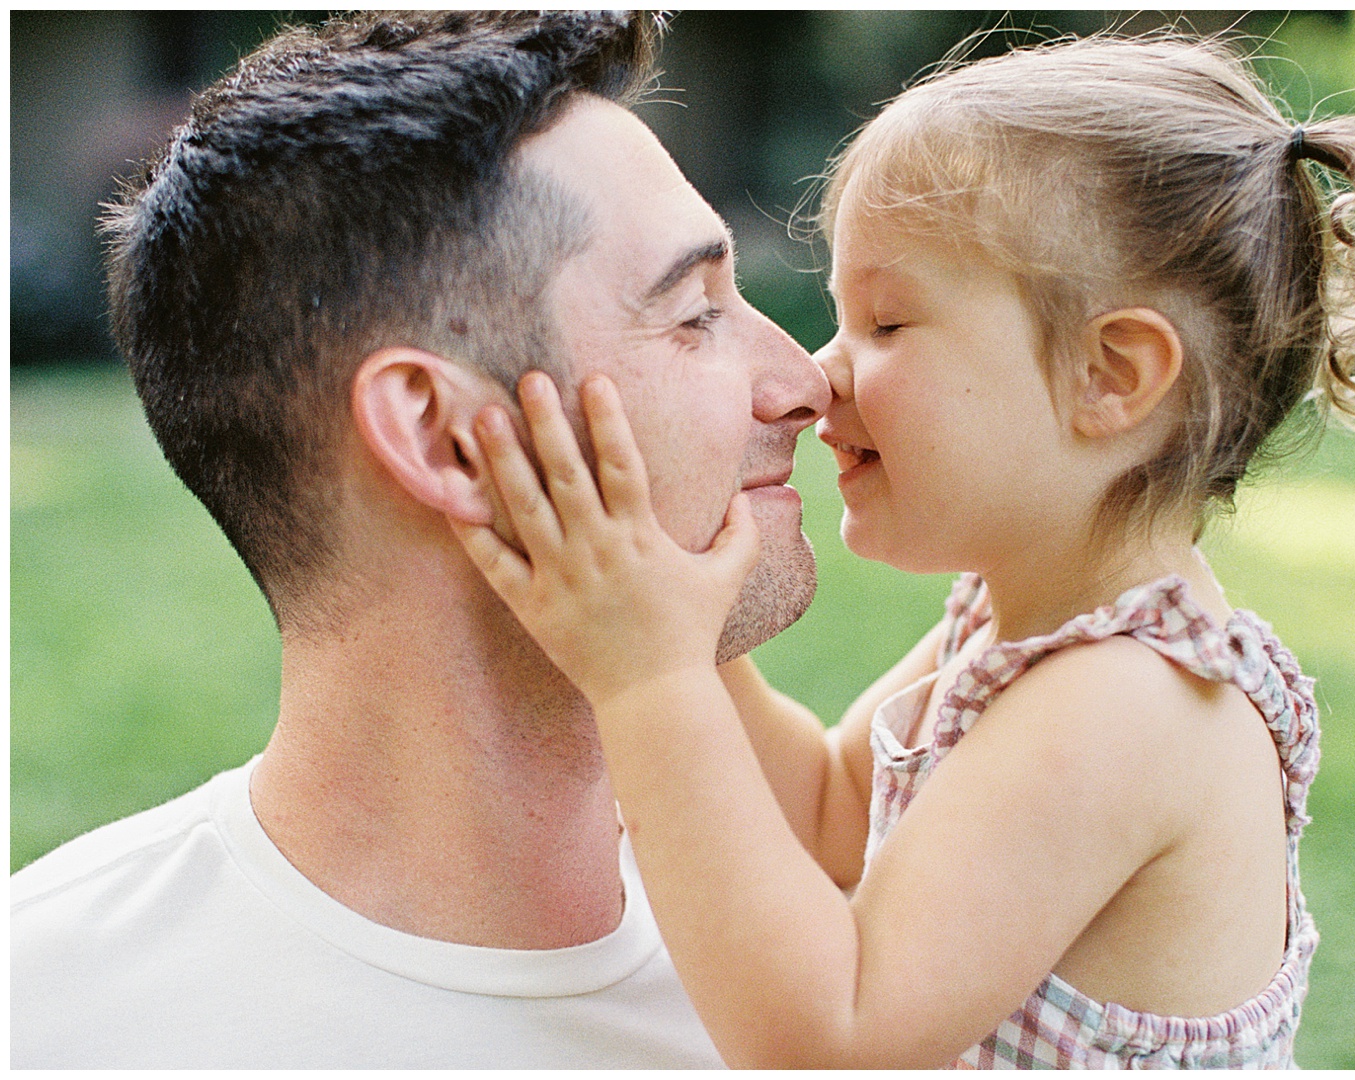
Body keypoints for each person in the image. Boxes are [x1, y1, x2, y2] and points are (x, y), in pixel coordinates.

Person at [452, 32, 1355, 1069]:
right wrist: (677, 612)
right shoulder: (1016, 625)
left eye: (888, 324)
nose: (824, 373)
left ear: (1113, 376)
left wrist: (648, 679)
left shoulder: (1127, 706)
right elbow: (827, 813)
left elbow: (829, 1035)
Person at [11, 11, 832, 1068]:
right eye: (693, 314)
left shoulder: (901, 961)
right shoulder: (49, 1019)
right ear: (445, 437)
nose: (805, 383)